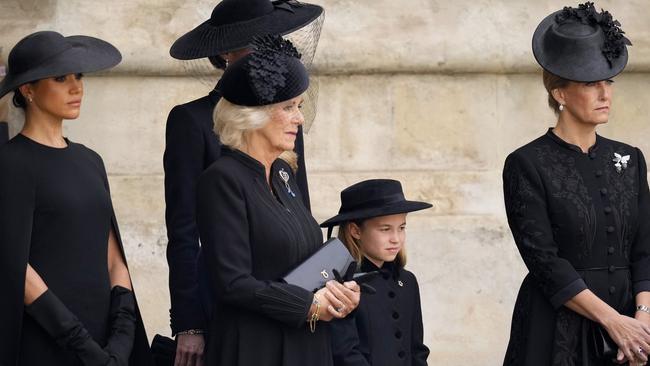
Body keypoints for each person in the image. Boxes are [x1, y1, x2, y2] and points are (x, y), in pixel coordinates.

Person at [164, 1, 323, 362]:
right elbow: (184, 228)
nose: (266, 52)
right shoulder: (191, 121)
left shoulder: (284, 119)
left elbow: (302, 212)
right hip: (226, 301)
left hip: (294, 304)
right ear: (225, 53)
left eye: (271, 40)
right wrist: (190, 323)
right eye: (252, 44)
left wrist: (317, 292)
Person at [195, 36, 360, 366]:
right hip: (255, 348)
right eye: (288, 107)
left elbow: (302, 260)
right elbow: (233, 282)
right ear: (251, 115)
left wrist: (340, 291)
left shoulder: (284, 174)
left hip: (306, 344)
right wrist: (310, 306)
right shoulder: (223, 179)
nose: (299, 119)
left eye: (299, 106)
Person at [502, 2, 650, 365]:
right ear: (560, 94)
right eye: (590, 84)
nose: (605, 93)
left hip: (633, 331)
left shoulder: (630, 159)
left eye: (608, 82)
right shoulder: (526, 163)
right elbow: (545, 262)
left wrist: (641, 320)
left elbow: (645, 249)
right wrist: (612, 321)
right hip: (558, 331)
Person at [0, 31, 151, 365]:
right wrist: (79, 344)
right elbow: (15, 268)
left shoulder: (90, 160)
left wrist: (121, 338)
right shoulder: (9, 164)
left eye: (78, 76)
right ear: (28, 90)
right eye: (60, 78)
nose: (76, 87)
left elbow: (113, 255)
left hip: (105, 341)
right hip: (45, 340)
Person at [321, 179, 431, 366]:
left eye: (402, 228)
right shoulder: (341, 285)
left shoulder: (407, 281)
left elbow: (417, 350)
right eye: (385, 229)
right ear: (355, 230)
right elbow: (344, 353)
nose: (396, 239)